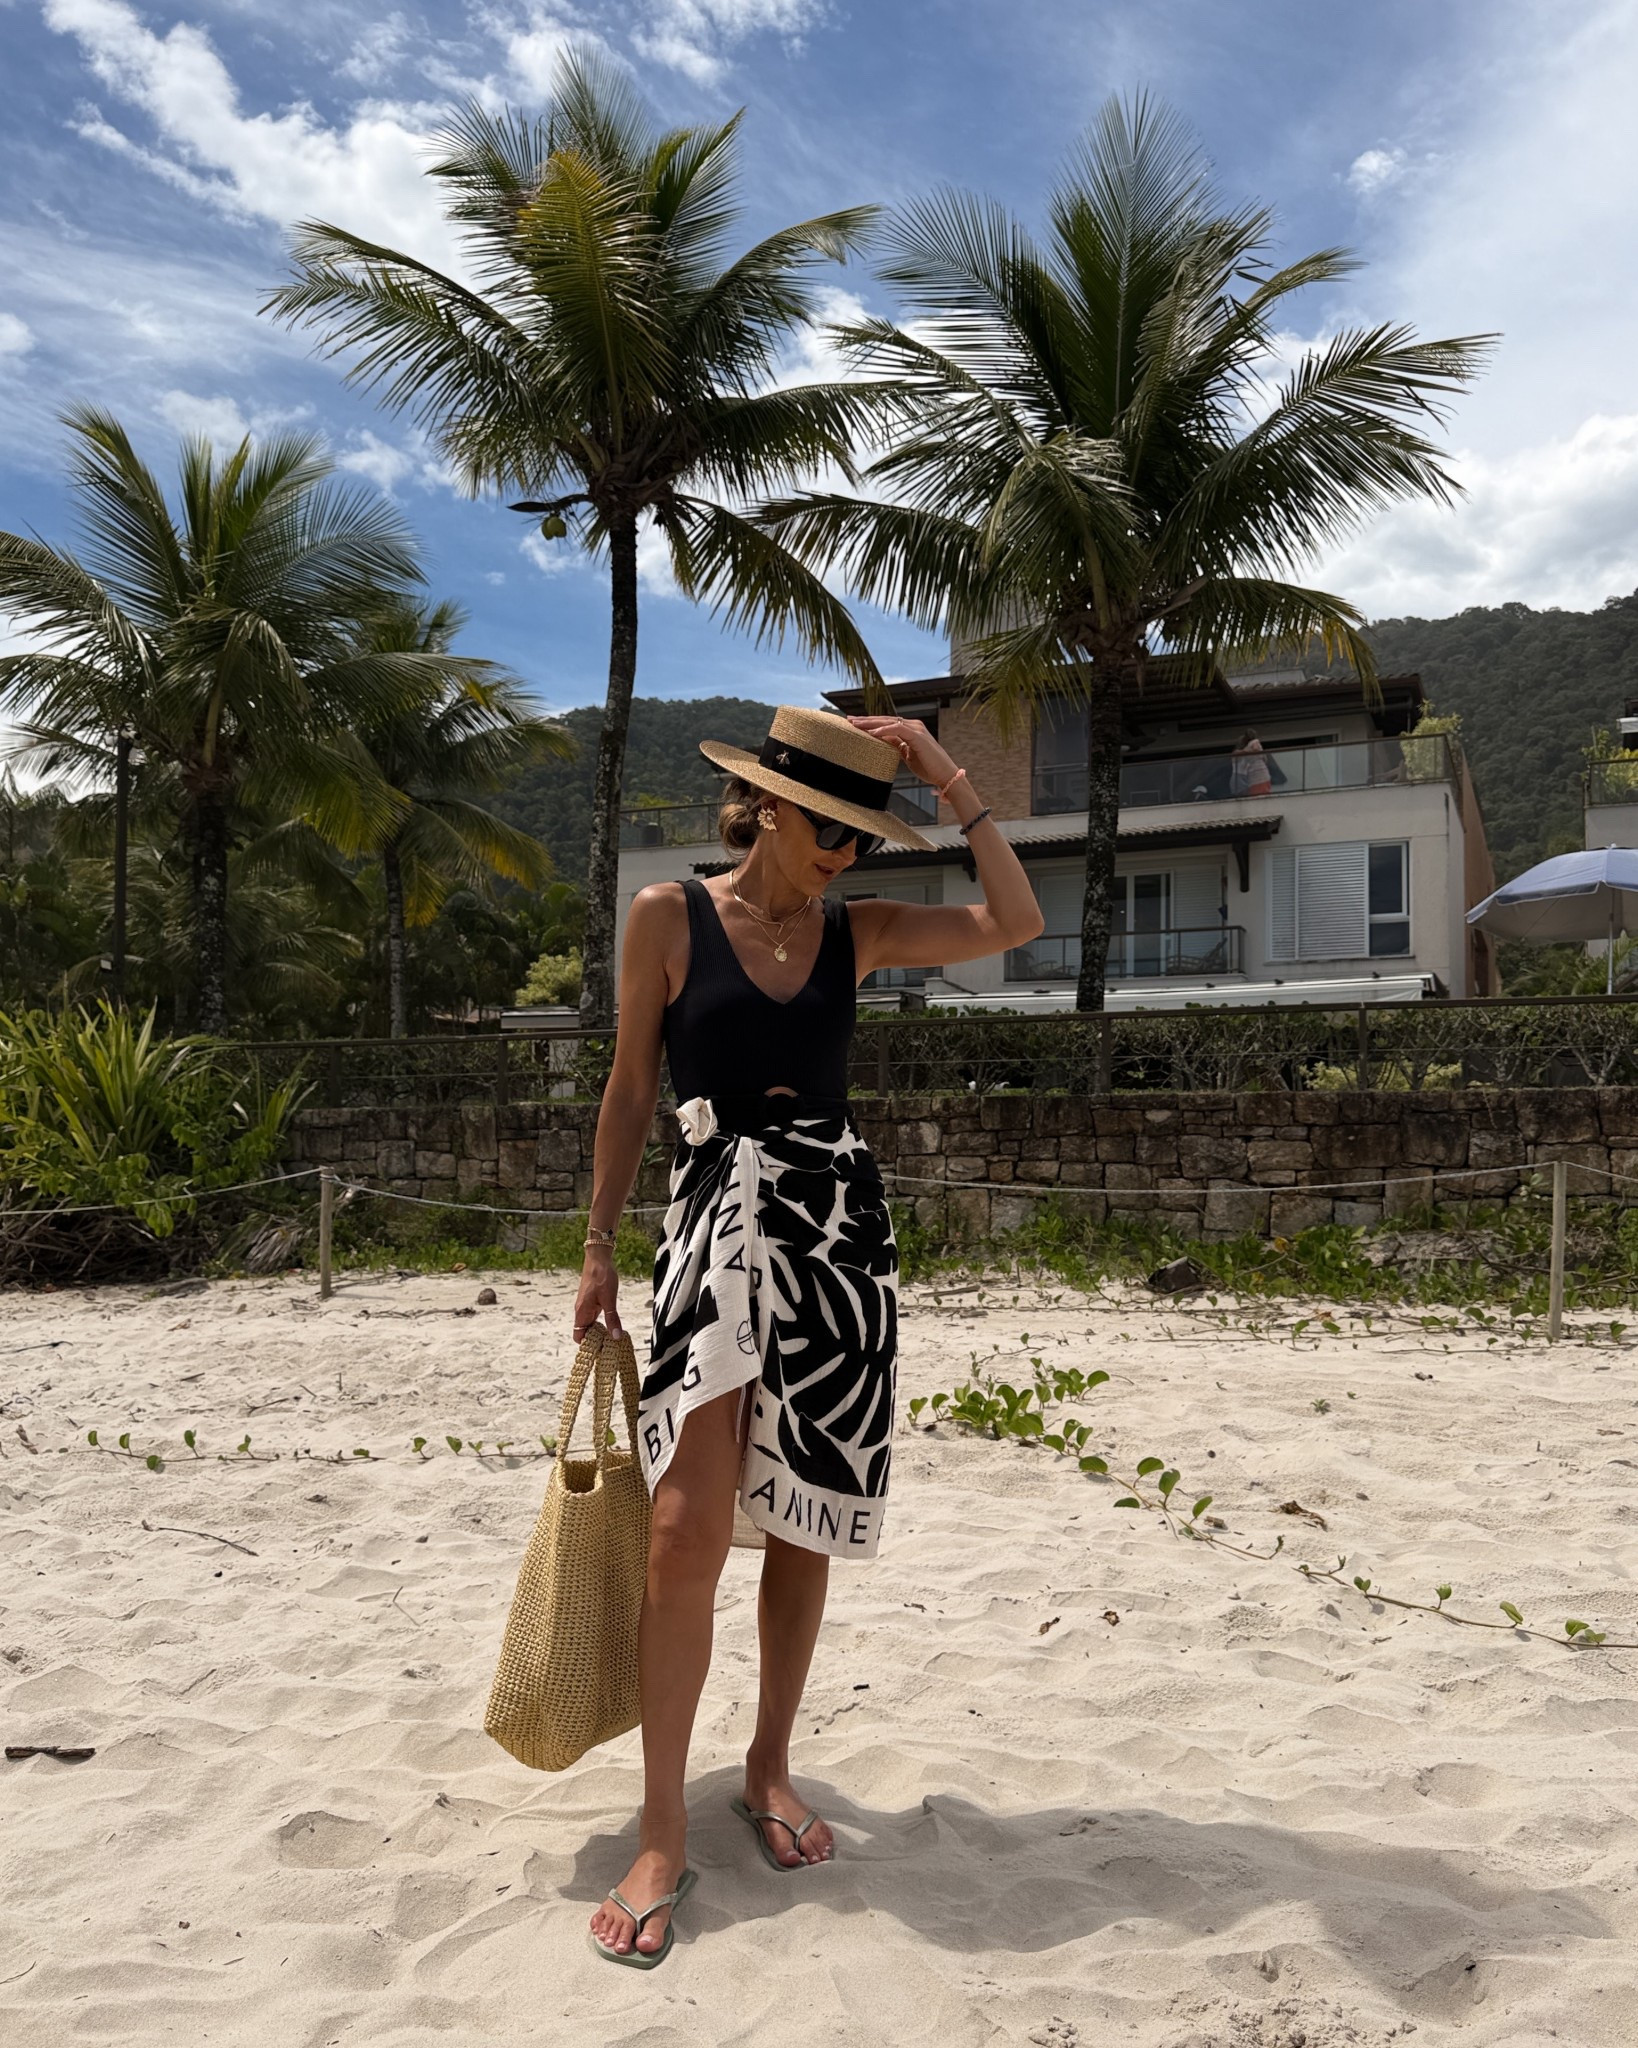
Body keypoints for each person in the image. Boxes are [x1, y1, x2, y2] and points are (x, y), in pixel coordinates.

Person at [576, 703, 1043, 1965]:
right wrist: (600, 1241)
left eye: (861, 832)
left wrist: (946, 775)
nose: (843, 851)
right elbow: (630, 1085)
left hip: (836, 1233)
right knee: (682, 1531)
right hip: (710, 1223)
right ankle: (662, 1820)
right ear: (767, 802)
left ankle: (771, 1764)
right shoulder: (666, 917)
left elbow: (1016, 921)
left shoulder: (861, 932)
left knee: (804, 1513)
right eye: (827, 823)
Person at [1229, 730, 1273, 798]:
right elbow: (1255, 750)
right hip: (1246, 778)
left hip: (1250, 778)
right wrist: (1251, 750)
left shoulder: (1246, 752)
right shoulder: (1242, 752)